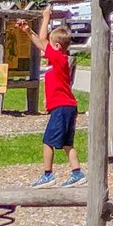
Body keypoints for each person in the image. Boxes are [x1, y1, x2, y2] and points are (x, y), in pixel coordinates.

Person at [37, 15, 81, 183]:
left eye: (49, 44)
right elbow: (39, 41)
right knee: (67, 143)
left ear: (56, 46)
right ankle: (77, 173)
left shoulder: (57, 58)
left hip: (61, 107)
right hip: (69, 106)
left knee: (47, 141)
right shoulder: (59, 60)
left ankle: (48, 174)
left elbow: (42, 39)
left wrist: (45, 17)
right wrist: (27, 32)